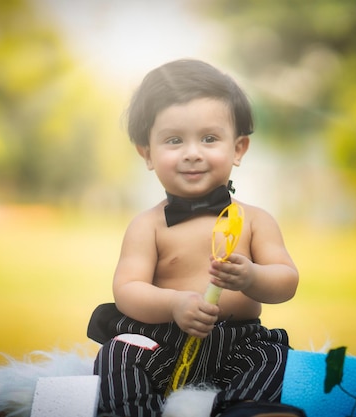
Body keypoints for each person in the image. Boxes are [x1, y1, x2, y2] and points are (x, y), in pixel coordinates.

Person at [91, 59, 301, 417]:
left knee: (275, 355)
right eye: (174, 140)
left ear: (238, 149)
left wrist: (252, 277)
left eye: (209, 138)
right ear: (148, 154)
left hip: (237, 344)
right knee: (119, 352)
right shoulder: (148, 225)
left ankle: (245, 408)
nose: (192, 152)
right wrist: (174, 304)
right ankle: (133, 411)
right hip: (163, 343)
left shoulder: (255, 221)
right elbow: (127, 289)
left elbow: (286, 280)